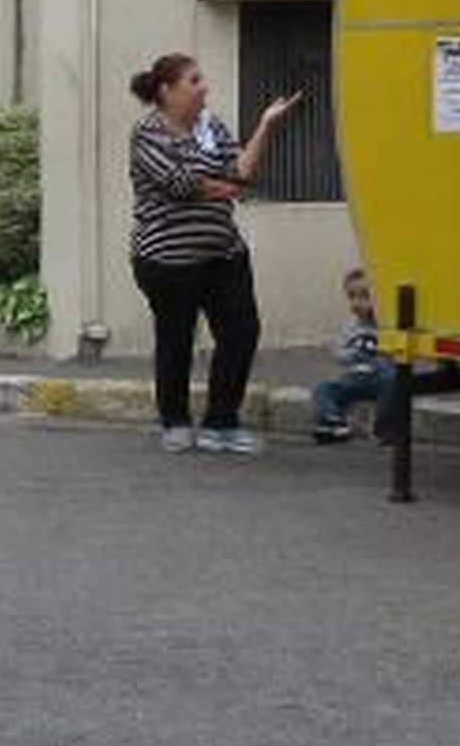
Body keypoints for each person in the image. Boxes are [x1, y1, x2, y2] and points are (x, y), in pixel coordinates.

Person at [126, 53, 304, 456]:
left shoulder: (212, 125)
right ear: (166, 91)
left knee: (242, 333)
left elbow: (242, 172)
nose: (204, 86)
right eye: (194, 81)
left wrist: (265, 126)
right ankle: (174, 421)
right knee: (176, 340)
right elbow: (181, 184)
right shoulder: (148, 132)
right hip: (167, 259)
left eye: (202, 79)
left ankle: (221, 422)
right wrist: (224, 184)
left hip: (223, 251)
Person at [312, 266, 403, 446]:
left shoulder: (387, 326)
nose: (357, 303)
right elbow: (338, 353)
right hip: (354, 377)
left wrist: (384, 349)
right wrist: (352, 354)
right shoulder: (350, 328)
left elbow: (397, 353)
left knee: (394, 380)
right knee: (323, 389)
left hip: (380, 377)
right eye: (352, 296)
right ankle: (333, 421)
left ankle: (383, 428)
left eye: (364, 296)